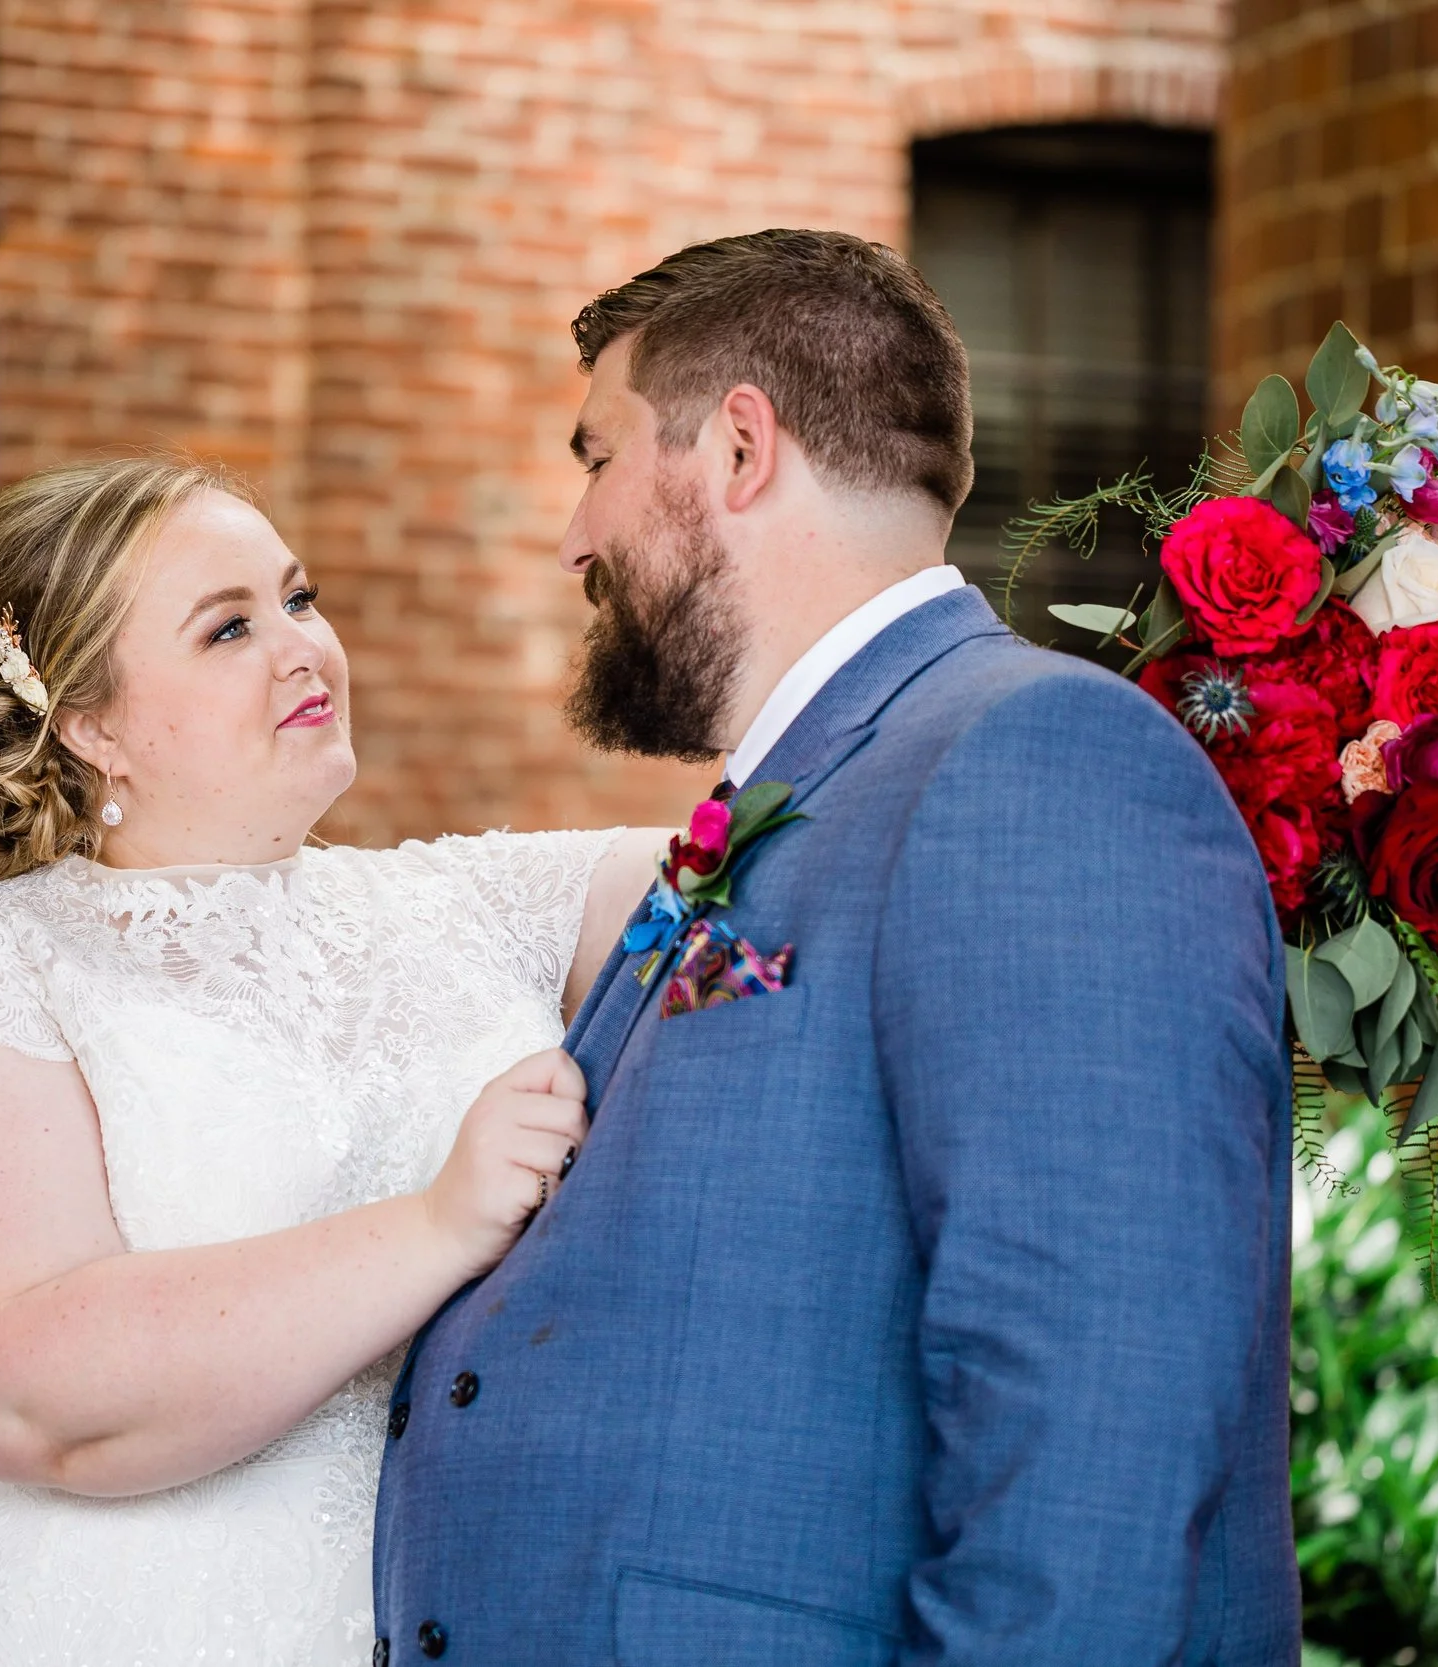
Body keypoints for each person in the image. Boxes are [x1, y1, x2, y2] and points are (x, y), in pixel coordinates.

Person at [372, 229, 1302, 1663]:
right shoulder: (812, 788)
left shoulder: (1037, 759)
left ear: (738, 447)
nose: (574, 532)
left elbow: (1095, 1433)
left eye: (596, 454)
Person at [0, 455, 665, 1666]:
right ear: (91, 723)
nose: (301, 648)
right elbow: (32, 1387)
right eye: (228, 627)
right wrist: (438, 1224)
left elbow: (767, 852)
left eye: (299, 598)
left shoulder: (471, 901)